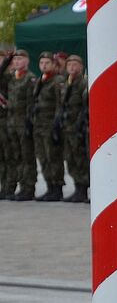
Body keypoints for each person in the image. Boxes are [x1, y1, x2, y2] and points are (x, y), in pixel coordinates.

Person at [32, 51, 66, 202]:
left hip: (50, 125)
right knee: (43, 157)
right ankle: (49, 186)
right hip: (38, 125)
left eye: (47, 63)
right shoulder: (40, 80)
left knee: (53, 157)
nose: (44, 66)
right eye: (41, 63)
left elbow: (60, 104)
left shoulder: (57, 80)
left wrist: (56, 125)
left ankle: (57, 188)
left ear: (53, 64)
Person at [4, 50, 38, 200]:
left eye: (20, 59)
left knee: (27, 157)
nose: (17, 62)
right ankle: (19, 186)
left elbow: (32, 104)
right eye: (15, 59)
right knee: (16, 156)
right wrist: (7, 60)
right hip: (12, 123)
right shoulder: (11, 78)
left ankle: (28, 188)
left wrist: (29, 123)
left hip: (24, 123)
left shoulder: (29, 78)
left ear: (27, 61)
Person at [60, 55, 90, 203]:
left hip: (78, 127)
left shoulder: (83, 83)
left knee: (80, 159)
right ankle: (77, 186)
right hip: (67, 127)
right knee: (70, 158)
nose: (72, 67)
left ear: (81, 66)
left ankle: (83, 189)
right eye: (69, 65)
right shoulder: (67, 83)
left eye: (75, 64)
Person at [0, 51, 13, 199]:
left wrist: (7, 60)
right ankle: (4, 185)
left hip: (7, 120)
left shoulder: (8, 77)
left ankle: (9, 186)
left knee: (9, 155)